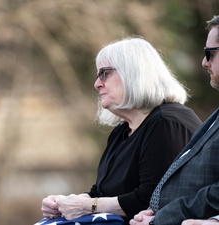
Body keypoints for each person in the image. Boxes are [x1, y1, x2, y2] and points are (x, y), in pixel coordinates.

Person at [40, 37, 202, 224]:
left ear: (133, 73)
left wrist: (89, 206)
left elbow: (154, 200)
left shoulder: (167, 123)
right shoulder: (123, 130)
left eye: (105, 73)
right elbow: (101, 193)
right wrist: (66, 202)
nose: (97, 84)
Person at [130, 15, 219, 225]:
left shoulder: (168, 121)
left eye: (210, 53)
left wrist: (163, 217)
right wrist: (154, 214)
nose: (204, 62)